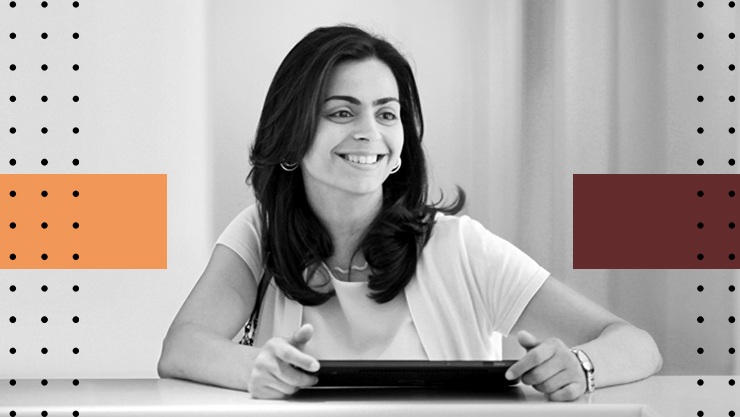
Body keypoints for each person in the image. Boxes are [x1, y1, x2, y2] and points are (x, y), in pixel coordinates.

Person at [157, 25, 662, 401]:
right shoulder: (258, 233)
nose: (369, 132)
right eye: (341, 112)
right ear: (291, 134)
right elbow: (181, 348)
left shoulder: (459, 246)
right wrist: (253, 369)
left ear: (401, 146)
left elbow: (634, 343)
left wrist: (580, 365)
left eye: (386, 113)